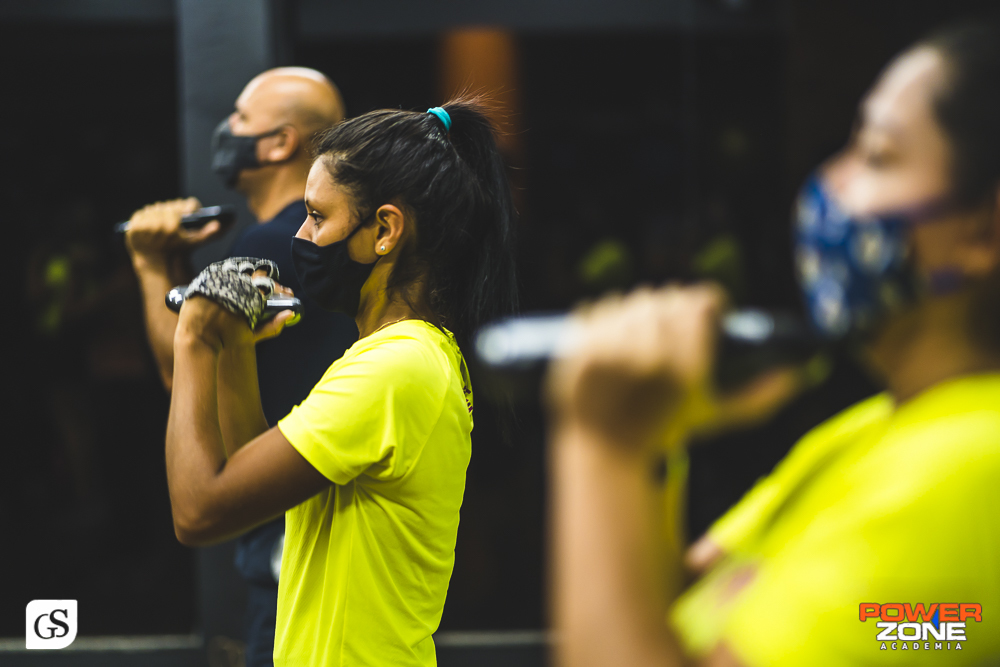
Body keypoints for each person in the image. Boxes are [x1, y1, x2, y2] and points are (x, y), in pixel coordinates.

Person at [547, 22, 1000, 666]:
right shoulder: (872, 430)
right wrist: (650, 439)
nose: (831, 184)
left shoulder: (975, 468)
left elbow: (931, 626)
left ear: (984, 230)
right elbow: (684, 603)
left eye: (876, 156)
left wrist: (605, 446)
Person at [162, 98, 518, 666]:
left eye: (317, 217)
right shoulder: (402, 357)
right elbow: (251, 485)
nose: (302, 235)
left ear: (384, 230)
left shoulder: (394, 369)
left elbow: (199, 511)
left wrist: (194, 340)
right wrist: (231, 348)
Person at [124, 67, 354, 666]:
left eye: (240, 118)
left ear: (279, 143)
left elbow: (187, 372)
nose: (226, 128)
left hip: (289, 550)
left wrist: (151, 265)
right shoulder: (298, 247)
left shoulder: (271, 246)